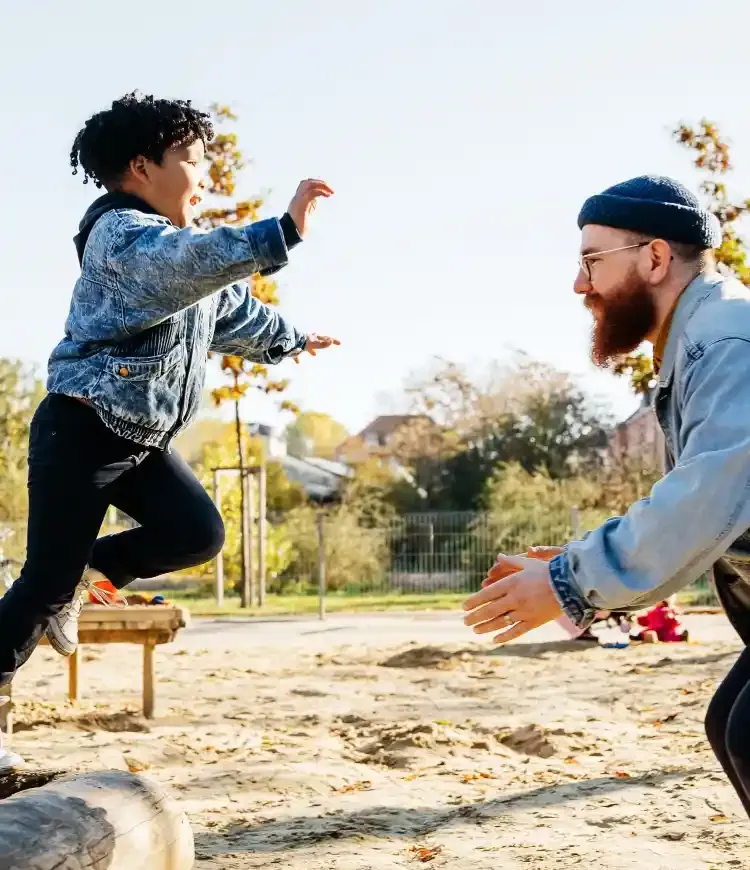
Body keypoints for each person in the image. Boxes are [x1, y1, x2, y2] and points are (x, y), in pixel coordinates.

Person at [0, 92, 338, 748]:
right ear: (141, 168)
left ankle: (89, 575)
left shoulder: (182, 256)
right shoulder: (122, 237)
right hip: (81, 430)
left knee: (198, 533)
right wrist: (281, 231)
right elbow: (189, 265)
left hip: (139, 439)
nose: (205, 176)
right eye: (191, 159)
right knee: (42, 583)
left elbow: (235, 313)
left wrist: (293, 339)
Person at [463, 174, 750, 816]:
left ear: (654, 258)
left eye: (592, 261)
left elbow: (707, 501)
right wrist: (579, 557)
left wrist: (569, 581)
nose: (578, 284)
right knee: (732, 722)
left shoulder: (727, 343)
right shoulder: (704, 340)